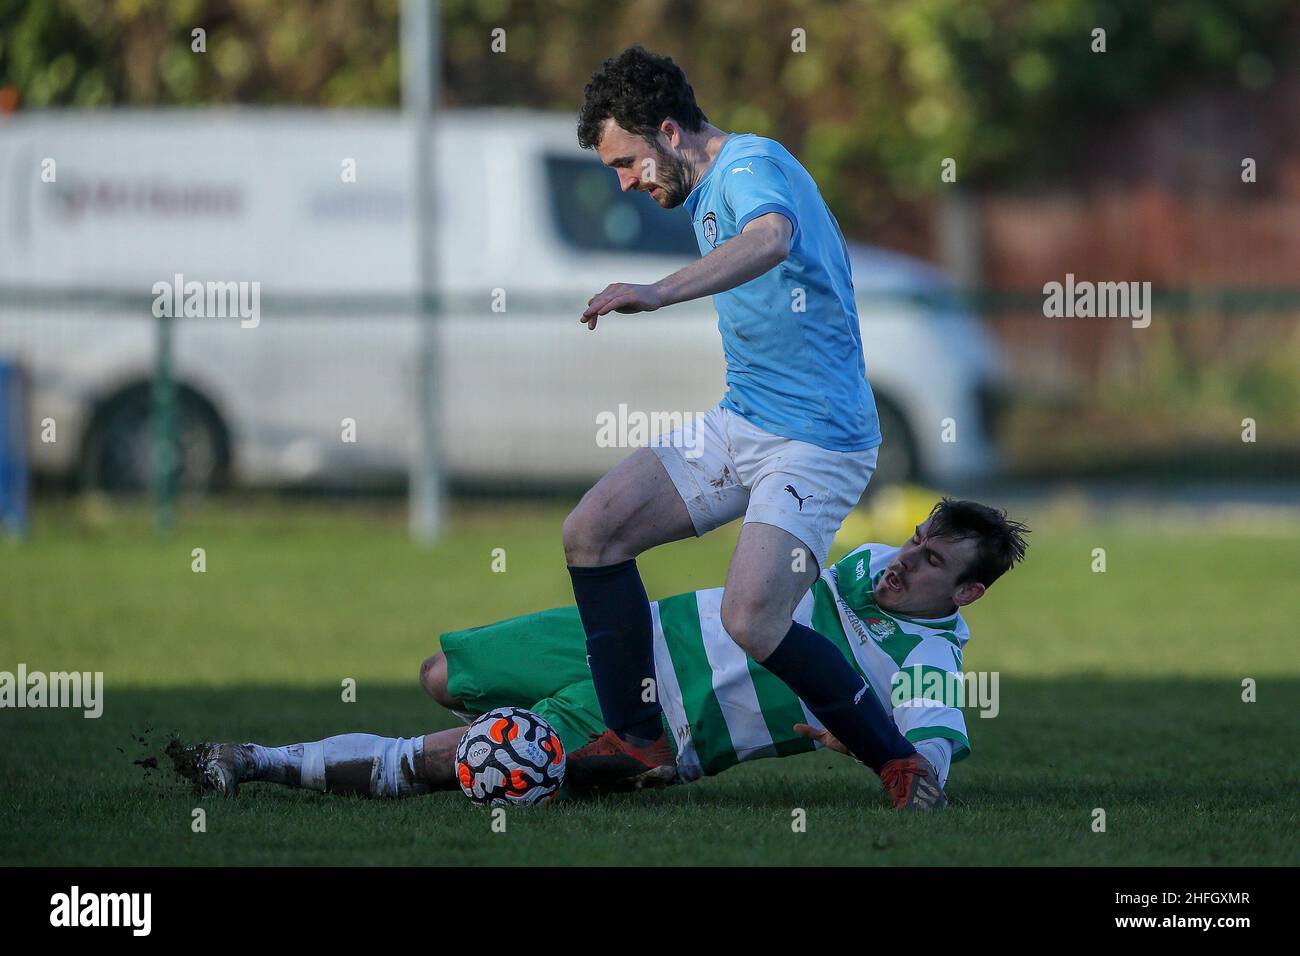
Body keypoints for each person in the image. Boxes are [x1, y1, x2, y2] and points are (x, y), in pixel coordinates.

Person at [564, 45, 927, 800]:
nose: (627, 182)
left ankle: (899, 760)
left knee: (752, 620)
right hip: (744, 421)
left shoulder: (747, 165)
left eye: (628, 162)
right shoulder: (707, 190)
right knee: (591, 533)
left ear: (668, 129)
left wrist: (658, 293)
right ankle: (638, 741)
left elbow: (771, 238)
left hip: (818, 440)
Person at [186, 499, 1028, 811]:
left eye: (930, 563)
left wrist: (841, 732)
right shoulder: (869, 567)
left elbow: (927, 779)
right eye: (915, 541)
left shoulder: (926, 668)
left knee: (453, 762)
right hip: (634, 634)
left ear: (966, 596)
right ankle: (527, 755)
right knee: (438, 677)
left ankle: (248, 762)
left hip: (663, 718)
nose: (903, 561)